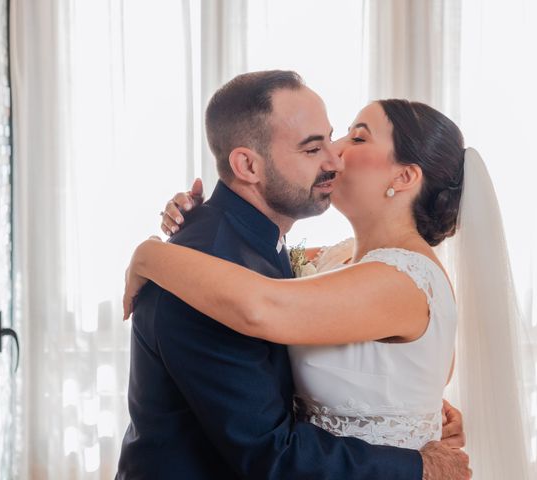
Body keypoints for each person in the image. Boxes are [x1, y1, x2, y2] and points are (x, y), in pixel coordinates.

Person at [116, 70, 470, 480]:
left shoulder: (395, 276)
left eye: (350, 137)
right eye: (313, 147)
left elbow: (266, 305)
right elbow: (270, 453)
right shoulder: (231, 265)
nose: (335, 156)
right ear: (247, 164)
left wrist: (148, 255)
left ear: (404, 177)